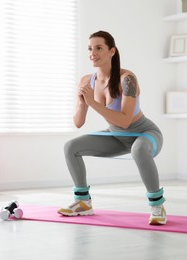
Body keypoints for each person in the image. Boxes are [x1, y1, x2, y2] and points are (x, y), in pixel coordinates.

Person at [57, 31, 166, 225]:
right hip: (116, 136)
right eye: (90, 48)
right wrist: (82, 101)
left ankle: (157, 206)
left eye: (99, 48)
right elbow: (78, 122)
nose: (93, 53)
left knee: (139, 149)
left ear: (112, 51)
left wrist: (92, 102)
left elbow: (125, 121)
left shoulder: (127, 79)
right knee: (70, 147)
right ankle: (83, 203)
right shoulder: (86, 81)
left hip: (144, 133)